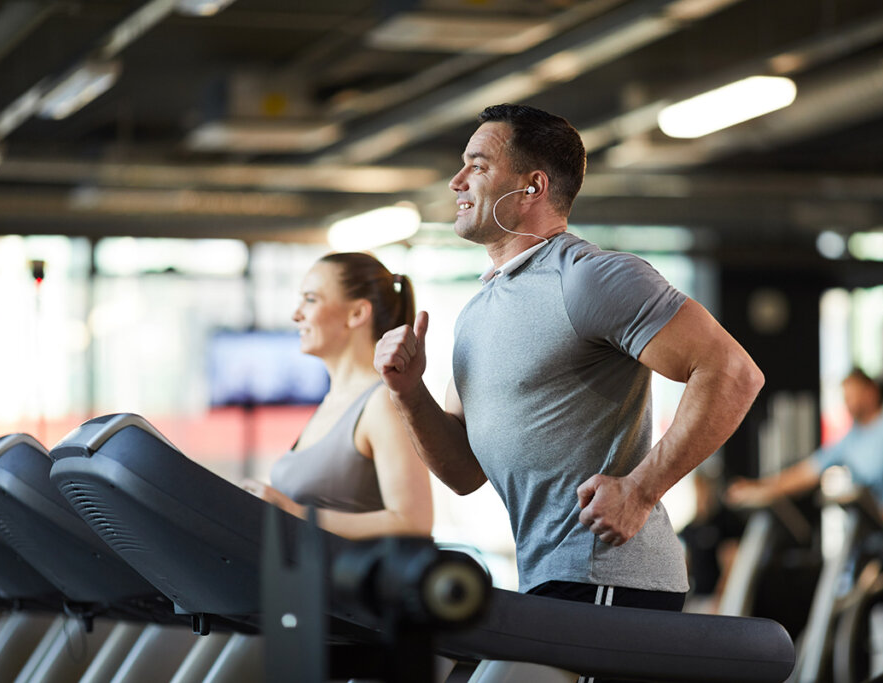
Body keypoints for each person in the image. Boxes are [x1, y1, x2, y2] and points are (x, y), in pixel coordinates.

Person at [374, 104, 763, 614]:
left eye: (479, 165)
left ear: (531, 187)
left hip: (609, 580)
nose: (457, 181)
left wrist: (642, 490)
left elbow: (733, 371)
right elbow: (464, 472)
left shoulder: (587, 277)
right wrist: (408, 391)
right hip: (548, 579)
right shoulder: (477, 312)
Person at [243, 252, 433, 540]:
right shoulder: (332, 401)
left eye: (310, 299)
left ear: (356, 314)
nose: (296, 315)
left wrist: (295, 514)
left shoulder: (381, 402)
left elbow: (414, 521)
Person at [727, 369, 883, 530]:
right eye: (846, 397)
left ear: (871, 392)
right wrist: (759, 486)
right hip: (872, 534)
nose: (848, 403)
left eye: (853, 396)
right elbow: (806, 473)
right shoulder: (851, 438)